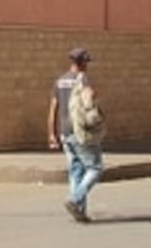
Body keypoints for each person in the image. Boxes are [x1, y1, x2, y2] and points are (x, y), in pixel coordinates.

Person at [48, 47, 102, 223]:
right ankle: (74, 199)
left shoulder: (60, 81)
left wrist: (51, 134)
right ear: (82, 63)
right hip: (80, 131)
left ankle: (80, 211)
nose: (87, 66)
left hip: (65, 132)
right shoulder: (83, 79)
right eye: (87, 62)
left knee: (76, 171)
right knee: (95, 168)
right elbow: (90, 98)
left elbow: (53, 108)